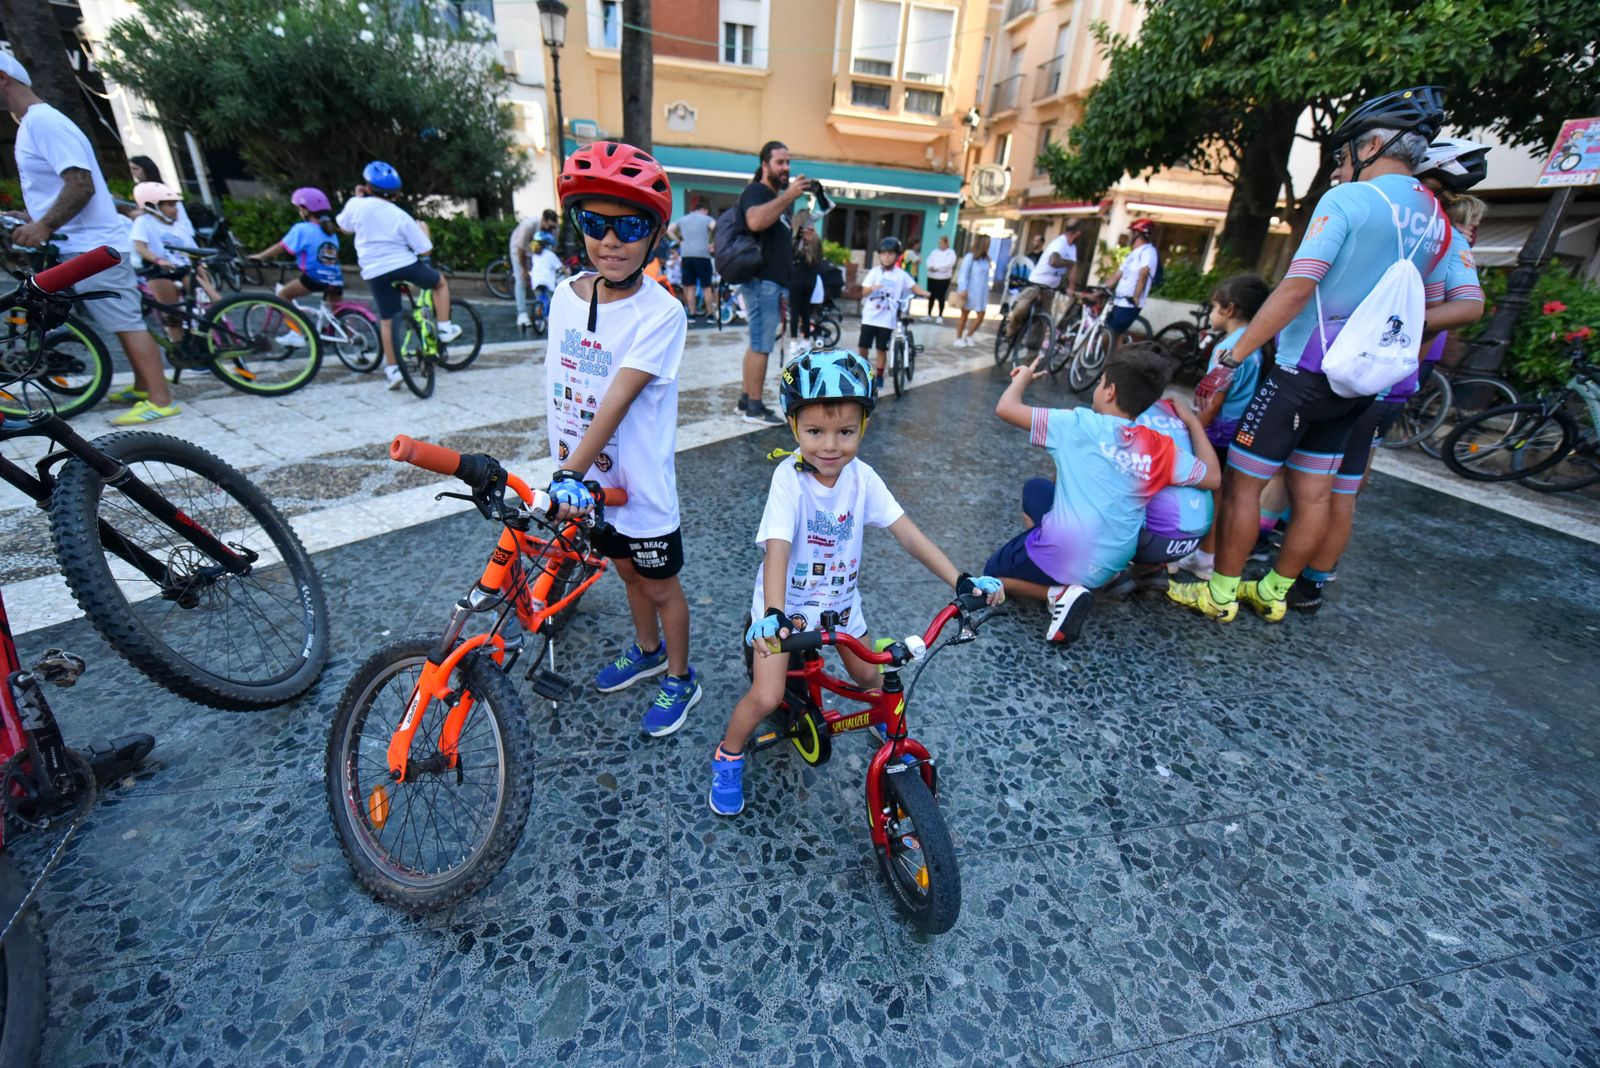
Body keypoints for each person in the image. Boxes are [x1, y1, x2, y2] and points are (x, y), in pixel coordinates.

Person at [1169, 86, 1450, 624]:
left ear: (1373, 144)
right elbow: (1430, 305)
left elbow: (1298, 287)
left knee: (1244, 483)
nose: (1341, 163)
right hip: (1362, 381)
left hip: (1305, 370)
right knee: (1315, 491)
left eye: (1344, 153)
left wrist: (1233, 358)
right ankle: (1274, 591)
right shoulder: (1437, 219)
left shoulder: (1349, 199)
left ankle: (1222, 592)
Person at [707, 348, 1004, 815]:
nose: (830, 446)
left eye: (845, 432)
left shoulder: (862, 478)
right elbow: (777, 548)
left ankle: (883, 721)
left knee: (871, 675)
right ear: (793, 427)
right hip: (784, 608)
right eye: (815, 432)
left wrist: (960, 579)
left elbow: (907, 532)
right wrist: (773, 615)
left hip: (841, 603)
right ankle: (727, 755)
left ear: (863, 426)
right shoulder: (789, 479)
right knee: (767, 695)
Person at [1289, 138, 1489, 614]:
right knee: (1343, 485)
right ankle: (1311, 581)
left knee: (1323, 483)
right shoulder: (1434, 230)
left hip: (1362, 376)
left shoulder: (1436, 232)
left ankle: (1296, 573)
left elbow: (1470, 307)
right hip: (1393, 384)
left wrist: (1383, 324)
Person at [545, 140, 700, 737]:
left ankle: (681, 676)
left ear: (654, 235)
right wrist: (568, 466)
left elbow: (618, 397)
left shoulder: (662, 313)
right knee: (625, 572)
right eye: (595, 223)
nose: (611, 241)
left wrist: (566, 475)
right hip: (588, 482)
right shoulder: (563, 297)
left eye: (630, 225)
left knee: (660, 582)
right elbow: (564, 384)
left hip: (635, 484)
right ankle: (647, 651)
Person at [988, 343, 1218, 642]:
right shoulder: (1160, 447)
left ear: (1109, 390)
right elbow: (1212, 477)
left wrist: (1022, 379)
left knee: (989, 579)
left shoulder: (1078, 424)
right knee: (1037, 489)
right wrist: (1191, 421)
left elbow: (1005, 408)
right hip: (1116, 559)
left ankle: (1060, 593)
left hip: (1066, 550)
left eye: (1099, 383)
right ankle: (1097, 577)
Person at [1, 53, 179, 424]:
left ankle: (161, 400)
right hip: (81, 242)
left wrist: (44, 226)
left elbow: (80, 184)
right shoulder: (37, 123)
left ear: (3, 78)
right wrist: (32, 217)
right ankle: (145, 387)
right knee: (118, 319)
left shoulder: (43, 123)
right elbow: (65, 187)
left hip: (91, 245)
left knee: (125, 320)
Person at [1172, 274, 1271, 579]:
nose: (1212, 313)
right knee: (1225, 498)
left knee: (1198, 494)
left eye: (1214, 306)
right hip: (1242, 432)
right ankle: (1207, 558)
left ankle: (1182, 554)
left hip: (1217, 432)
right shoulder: (1262, 344)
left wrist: (1188, 431)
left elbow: (1213, 402)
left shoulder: (1228, 350)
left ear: (1229, 309)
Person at [335, 160, 462, 390]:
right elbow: (425, 249)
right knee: (439, 284)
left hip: (375, 271)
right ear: (396, 193)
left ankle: (393, 371)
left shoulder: (356, 205)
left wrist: (357, 197)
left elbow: (344, 227)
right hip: (404, 265)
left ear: (367, 186)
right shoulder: (399, 215)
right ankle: (444, 328)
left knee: (387, 321)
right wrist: (423, 230)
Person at [735, 141, 811, 425]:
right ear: (765, 165)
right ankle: (754, 407)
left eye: (788, 162)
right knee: (762, 344)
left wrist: (800, 238)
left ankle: (745, 400)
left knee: (758, 342)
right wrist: (789, 195)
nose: (786, 168)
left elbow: (776, 243)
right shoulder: (757, 192)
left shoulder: (777, 200)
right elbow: (754, 221)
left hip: (771, 281)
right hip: (760, 280)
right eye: (780, 162)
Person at [248, 187, 345, 339]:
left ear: (306, 210)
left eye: (300, 208)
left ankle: (296, 333)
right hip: (336, 278)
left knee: (282, 296)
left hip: (315, 277)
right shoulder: (331, 231)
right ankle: (352, 337)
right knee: (338, 311)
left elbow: (282, 247)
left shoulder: (302, 229)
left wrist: (261, 256)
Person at [130, 181, 220, 342]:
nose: (175, 209)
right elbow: (140, 247)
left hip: (183, 268)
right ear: (152, 206)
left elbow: (195, 256)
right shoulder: (144, 222)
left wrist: (206, 280)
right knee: (172, 314)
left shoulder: (179, 227)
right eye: (170, 205)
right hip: (158, 271)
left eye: (175, 205)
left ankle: (210, 340)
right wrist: (158, 260)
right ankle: (180, 346)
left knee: (214, 301)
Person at [858, 236, 930, 385]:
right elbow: (864, 291)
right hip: (870, 316)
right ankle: (863, 371)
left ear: (897, 256)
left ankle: (879, 375)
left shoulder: (901, 274)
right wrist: (872, 288)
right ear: (880, 255)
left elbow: (913, 287)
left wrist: (925, 293)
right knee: (863, 346)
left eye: (890, 254)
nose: (886, 257)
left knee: (881, 348)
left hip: (887, 318)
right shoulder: (874, 272)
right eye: (883, 253)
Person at [1005, 220, 1080, 344]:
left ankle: (1032, 349)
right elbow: (1053, 261)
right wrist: (1070, 264)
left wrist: (1071, 287)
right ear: (1077, 233)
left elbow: (1074, 269)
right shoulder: (1059, 243)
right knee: (1021, 308)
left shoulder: (1072, 248)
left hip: (1051, 287)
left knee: (1043, 320)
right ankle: (1011, 329)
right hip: (1036, 283)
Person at [1101, 219, 1159, 349]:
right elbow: (1117, 275)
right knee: (1114, 338)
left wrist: (1136, 296)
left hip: (1129, 304)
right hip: (1118, 301)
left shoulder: (1148, 252)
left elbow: (1143, 273)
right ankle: (1113, 366)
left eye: (1132, 232)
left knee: (1108, 337)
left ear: (1138, 234)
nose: (1129, 235)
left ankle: (1112, 366)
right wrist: (1100, 290)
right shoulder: (1132, 254)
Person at [670, 196, 716, 320]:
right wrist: (713, 243)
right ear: (704, 210)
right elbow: (716, 228)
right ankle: (710, 314)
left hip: (687, 255)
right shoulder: (707, 218)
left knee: (689, 286)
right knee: (706, 286)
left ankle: (691, 313)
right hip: (703, 255)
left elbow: (669, 229)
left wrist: (679, 241)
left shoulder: (683, 219)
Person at [787, 218, 823, 357]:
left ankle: (794, 342)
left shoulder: (798, 242)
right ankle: (806, 340)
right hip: (809, 281)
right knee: (805, 312)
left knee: (795, 312)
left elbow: (790, 256)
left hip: (797, 281)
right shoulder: (816, 241)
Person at [951, 234, 993, 348]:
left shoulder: (985, 259)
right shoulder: (970, 257)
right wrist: (963, 288)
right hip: (970, 291)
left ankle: (969, 335)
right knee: (964, 315)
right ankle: (958, 338)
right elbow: (963, 274)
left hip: (981, 292)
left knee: (981, 314)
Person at [508, 213, 539, 329]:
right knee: (520, 279)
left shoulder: (554, 228)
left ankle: (540, 310)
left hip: (534, 251)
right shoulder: (528, 226)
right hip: (517, 249)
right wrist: (525, 270)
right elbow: (520, 250)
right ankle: (521, 314)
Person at [924, 235, 957, 318]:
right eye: (939, 242)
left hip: (943, 278)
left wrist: (937, 267)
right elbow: (928, 261)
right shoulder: (934, 252)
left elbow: (948, 264)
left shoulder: (951, 253)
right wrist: (930, 267)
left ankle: (940, 315)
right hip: (932, 277)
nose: (940, 244)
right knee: (931, 296)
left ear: (946, 243)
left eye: (941, 242)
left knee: (941, 296)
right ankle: (929, 314)